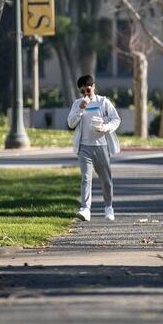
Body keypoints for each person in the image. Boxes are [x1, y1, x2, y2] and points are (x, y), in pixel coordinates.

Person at [67, 73, 120, 221]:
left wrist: (105, 127)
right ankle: (85, 208)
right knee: (86, 178)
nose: (85, 94)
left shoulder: (103, 102)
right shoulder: (77, 104)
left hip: (101, 146)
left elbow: (116, 119)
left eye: (88, 90)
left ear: (94, 87)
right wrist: (80, 109)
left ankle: (108, 207)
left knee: (105, 179)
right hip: (84, 147)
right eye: (82, 91)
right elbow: (71, 123)